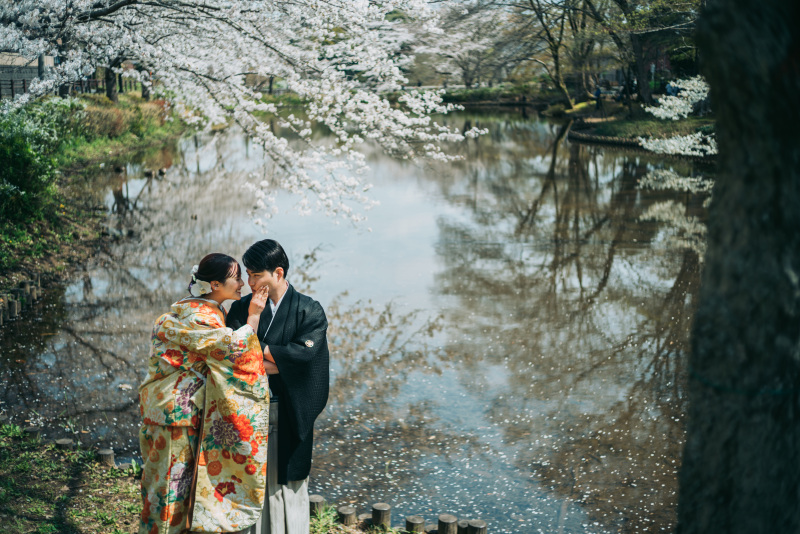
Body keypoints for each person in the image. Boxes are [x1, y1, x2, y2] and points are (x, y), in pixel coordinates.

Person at [138, 253, 271, 534]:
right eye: (236, 279)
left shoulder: (186, 311)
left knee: (164, 490)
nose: (242, 285)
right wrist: (254, 317)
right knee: (168, 497)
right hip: (176, 416)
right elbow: (235, 350)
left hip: (165, 410)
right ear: (214, 284)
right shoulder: (201, 318)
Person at [226, 240, 329, 534]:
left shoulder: (308, 310)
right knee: (250, 476)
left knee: (288, 481)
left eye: (256, 275)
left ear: (278, 273)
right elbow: (232, 357)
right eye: (247, 275)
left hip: (289, 406)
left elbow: (306, 357)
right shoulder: (242, 308)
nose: (250, 282)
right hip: (247, 409)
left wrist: (256, 352)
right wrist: (254, 322)